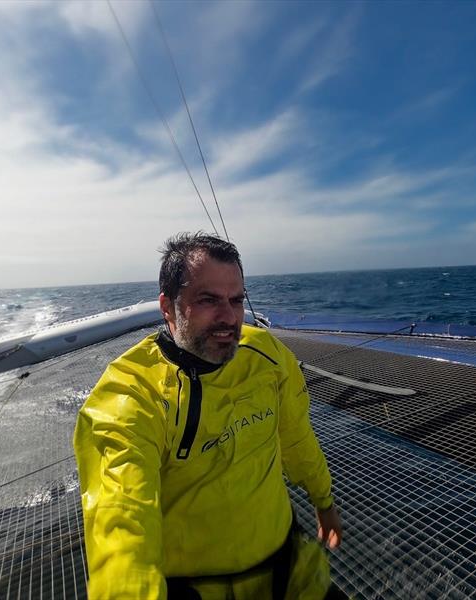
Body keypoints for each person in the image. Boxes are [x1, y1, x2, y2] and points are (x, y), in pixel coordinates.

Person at [74, 232, 344, 600]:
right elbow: (122, 520)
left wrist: (323, 500)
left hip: (288, 572)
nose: (228, 318)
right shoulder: (132, 393)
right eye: (208, 300)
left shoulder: (267, 357)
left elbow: (296, 439)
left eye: (236, 301)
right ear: (167, 308)